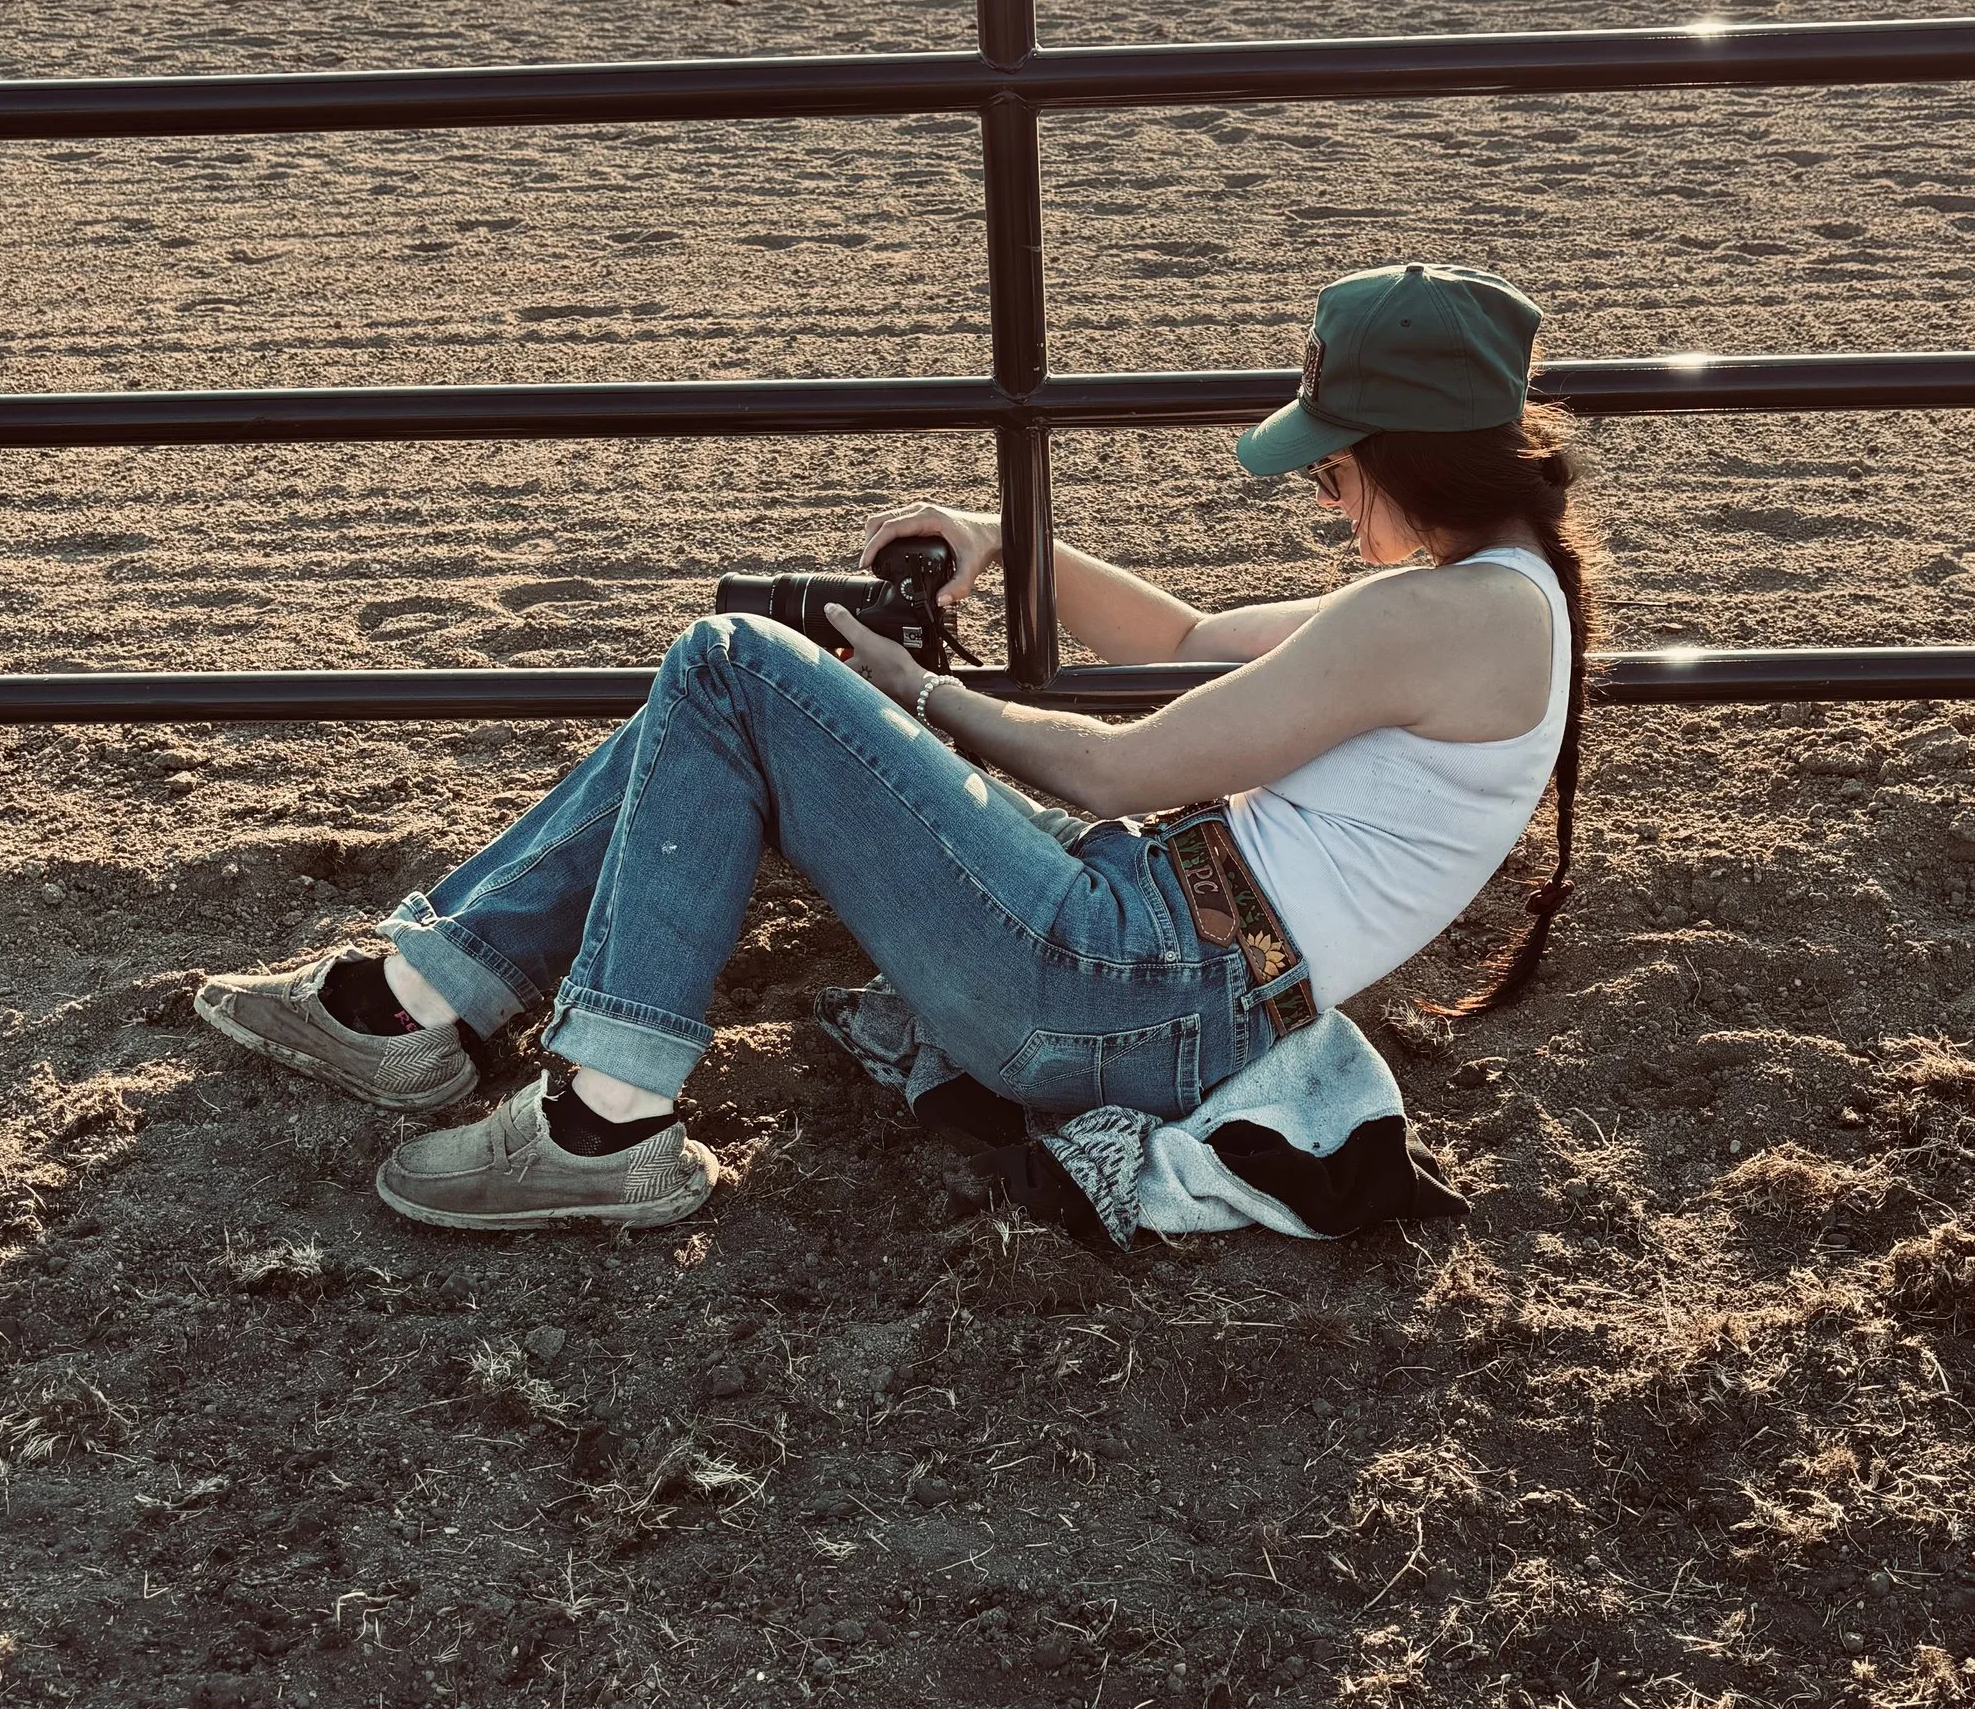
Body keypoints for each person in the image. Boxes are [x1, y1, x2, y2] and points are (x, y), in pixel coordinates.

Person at [195, 263, 1597, 1235]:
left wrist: (908, 693)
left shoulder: (1448, 615)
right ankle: (418, 1001)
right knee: (731, 684)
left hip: (1128, 983)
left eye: (1336, 460)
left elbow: (1116, 766)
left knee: (737, 660)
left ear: (1415, 454)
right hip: (1161, 973)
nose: (1321, 485)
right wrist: (1007, 544)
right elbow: (1184, 637)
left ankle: (591, 1116)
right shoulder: (1488, 597)